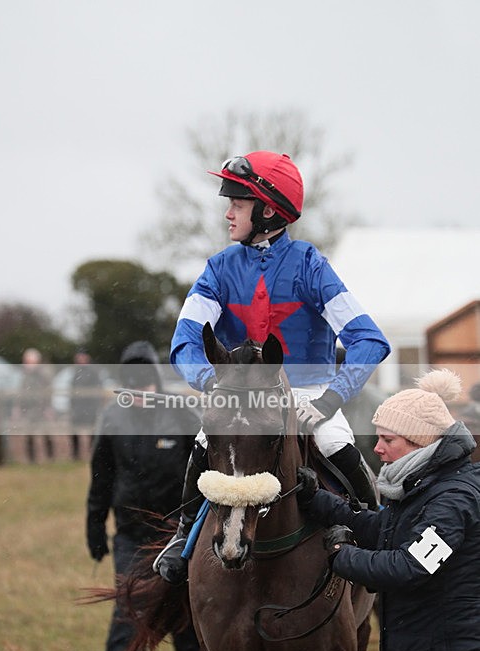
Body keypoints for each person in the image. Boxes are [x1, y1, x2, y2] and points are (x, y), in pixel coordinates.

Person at [154, 150, 390, 584]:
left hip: (306, 395)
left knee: (337, 443)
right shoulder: (218, 268)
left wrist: (330, 399)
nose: (227, 214)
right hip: (238, 393)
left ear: (265, 210)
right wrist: (212, 382)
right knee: (205, 443)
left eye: (236, 205)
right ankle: (183, 537)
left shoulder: (310, 265)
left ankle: (380, 536)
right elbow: (184, 341)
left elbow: (370, 340)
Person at [296, 368, 480, 651]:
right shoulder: (426, 486)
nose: (376, 449)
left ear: (422, 443)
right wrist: (318, 501)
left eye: (387, 440)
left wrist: (343, 556)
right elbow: (383, 529)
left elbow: (410, 566)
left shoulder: (452, 498)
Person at [86, 341, 204, 651]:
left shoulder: (183, 415)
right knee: (130, 603)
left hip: (178, 530)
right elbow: (101, 477)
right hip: (130, 532)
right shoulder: (112, 419)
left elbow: (204, 470)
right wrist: (94, 525)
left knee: (186, 603)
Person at [15, 347, 55, 463]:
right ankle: (32, 459)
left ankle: (50, 457)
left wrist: (48, 407)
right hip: (29, 409)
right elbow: (22, 392)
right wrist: (18, 407)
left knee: (46, 433)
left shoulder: (43, 375)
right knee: (29, 435)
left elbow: (48, 392)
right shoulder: (25, 376)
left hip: (41, 409)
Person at [69, 349, 104, 460]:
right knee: (74, 432)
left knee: (92, 432)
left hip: (90, 407)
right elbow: (73, 390)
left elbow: (97, 390)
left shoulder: (93, 371)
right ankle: (76, 455)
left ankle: (93, 453)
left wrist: (95, 405)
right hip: (78, 407)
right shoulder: (76, 372)